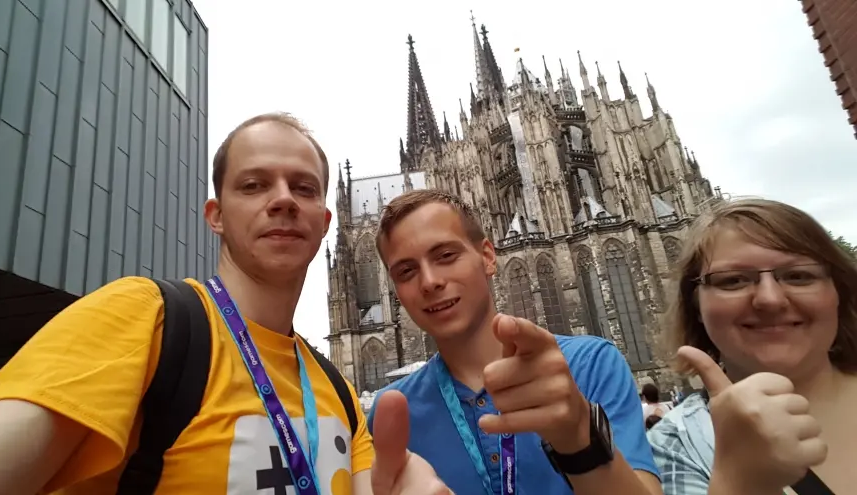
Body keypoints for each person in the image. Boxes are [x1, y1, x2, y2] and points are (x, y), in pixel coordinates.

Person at [0, 113, 450, 495]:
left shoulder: (338, 392)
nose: (283, 200)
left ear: (326, 222)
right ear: (216, 215)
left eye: (304, 188)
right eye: (254, 185)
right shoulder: (146, 319)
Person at [367, 190, 662, 494]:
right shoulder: (393, 412)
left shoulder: (590, 365)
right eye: (406, 271)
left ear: (487, 257)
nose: (429, 282)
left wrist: (579, 438)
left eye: (446, 256)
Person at [647, 198, 857, 495]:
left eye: (798, 276)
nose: (770, 299)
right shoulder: (676, 444)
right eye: (733, 280)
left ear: (840, 291)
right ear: (696, 306)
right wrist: (738, 482)